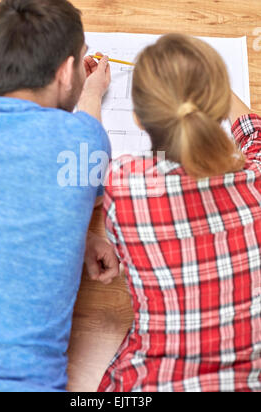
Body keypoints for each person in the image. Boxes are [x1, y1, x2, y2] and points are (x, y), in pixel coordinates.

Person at [0, 0, 119, 392]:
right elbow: (78, 165)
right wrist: (93, 92)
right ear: (67, 72)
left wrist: (73, 236)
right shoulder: (84, 140)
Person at [98, 33, 261, 392]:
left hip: (151, 380)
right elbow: (255, 131)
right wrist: (203, 83)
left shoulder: (125, 184)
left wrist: (90, 97)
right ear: (216, 106)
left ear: (139, 120)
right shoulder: (256, 175)